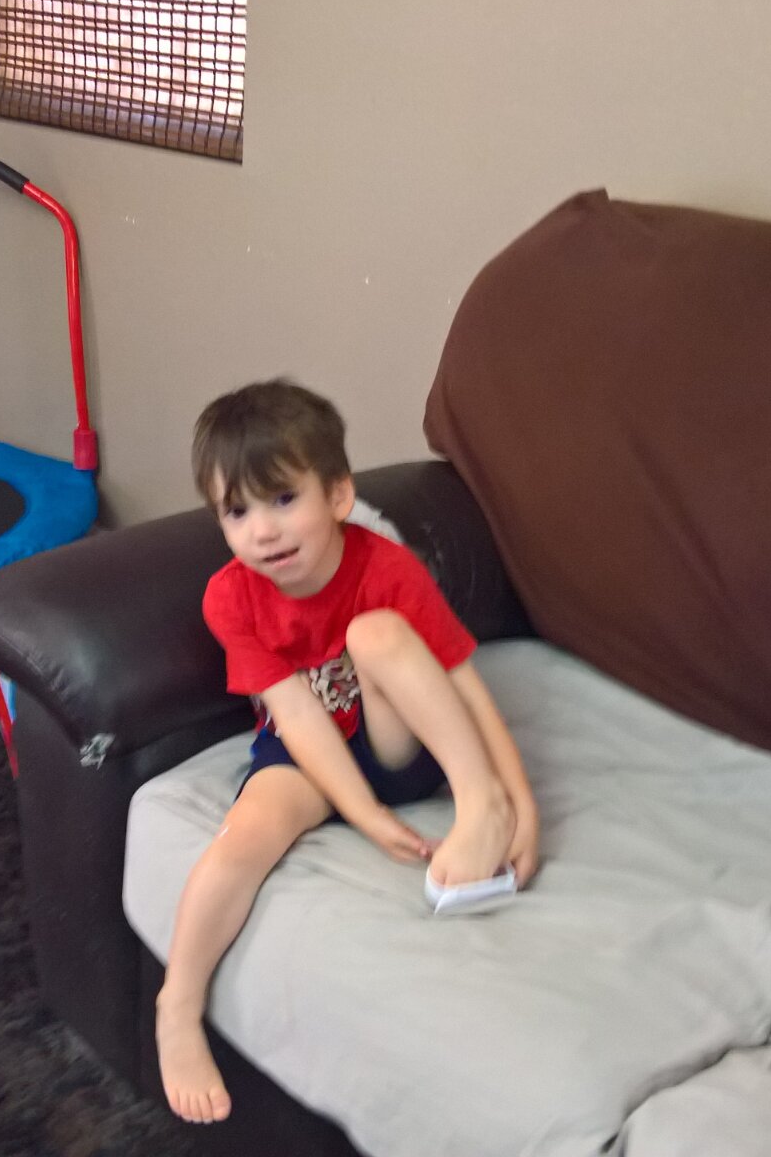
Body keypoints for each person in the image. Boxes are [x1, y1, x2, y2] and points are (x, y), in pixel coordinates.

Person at [156, 378, 540, 1124]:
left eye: (282, 500)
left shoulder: (387, 568)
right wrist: (362, 815)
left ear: (337, 496)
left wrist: (515, 802)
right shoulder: (229, 597)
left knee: (375, 632)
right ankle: (178, 1005)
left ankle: (480, 802)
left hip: (400, 743)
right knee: (243, 837)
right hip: (308, 752)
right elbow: (296, 714)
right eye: (237, 512)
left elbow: (463, 683)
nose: (263, 532)